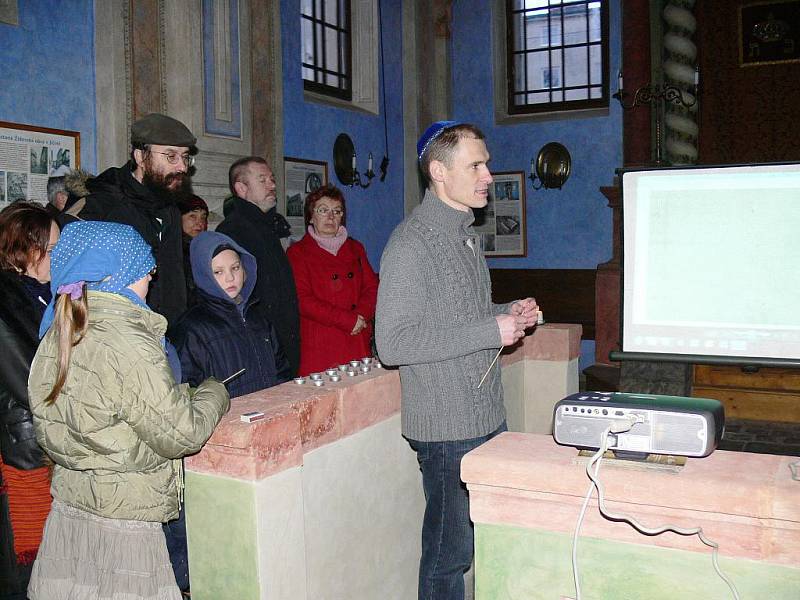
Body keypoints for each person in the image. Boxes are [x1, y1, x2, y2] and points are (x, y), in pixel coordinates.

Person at [375, 121, 539, 600]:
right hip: (447, 428)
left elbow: (459, 318)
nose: (488, 174)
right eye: (476, 165)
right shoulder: (410, 243)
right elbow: (395, 343)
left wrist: (506, 313)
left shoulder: (464, 234)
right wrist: (491, 330)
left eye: (485, 162)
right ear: (439, 172)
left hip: (485, 414)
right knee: (449, 556)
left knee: (477, 542)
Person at [26, 221, 230, 600]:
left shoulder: (58, 328)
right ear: (121, 274)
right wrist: (213, 394)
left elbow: (72, 421)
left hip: (73, 509)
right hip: (124, 518)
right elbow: (181, 434)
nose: (151, 280)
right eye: (146, 271)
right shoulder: (129, 338)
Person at [65, 113, 197, 326]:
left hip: (168, 336)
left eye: (185, 157)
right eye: (171, 156)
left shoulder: (170, 208)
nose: (182, 167)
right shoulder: (101, 205)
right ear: (140, 157)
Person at [0, 203, 59, 600]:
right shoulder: (5, 302)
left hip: (50, 442)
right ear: (25, 250)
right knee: (32, 562)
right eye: (51, 249)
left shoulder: (43, 294)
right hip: (25, 451)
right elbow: (28, 381)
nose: (59, 256)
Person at [170, 230, 292, 399]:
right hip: (227, 421)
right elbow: (186, 392)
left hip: (268, 416)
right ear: (204, 275)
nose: (230, 278)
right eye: (218, 272)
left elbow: (282, 371)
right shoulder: (191, 330)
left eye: (235, 268)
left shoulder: (258, 319)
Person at [217, 157, 300, 375]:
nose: (272, 185)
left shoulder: (267, 225)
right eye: (262, 180)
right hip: (260, 343)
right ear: (241, 188)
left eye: (272, 179)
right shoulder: (232, 231)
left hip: (281, 339)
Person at [286, 185, 379, 375]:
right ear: (311, 216)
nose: (331, 216)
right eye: (323, 210)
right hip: (322, 344)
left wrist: (360, 316)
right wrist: (346, 320)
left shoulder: (356, 248)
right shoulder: (298, 253)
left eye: (337, 211)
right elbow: (303, 299)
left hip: (356, 338)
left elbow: (372, 288)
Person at [177, 195, 209, 307]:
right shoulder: (174, 252)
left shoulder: (206, 250)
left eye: (203, 217)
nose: (200, 223)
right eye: (192, 216)